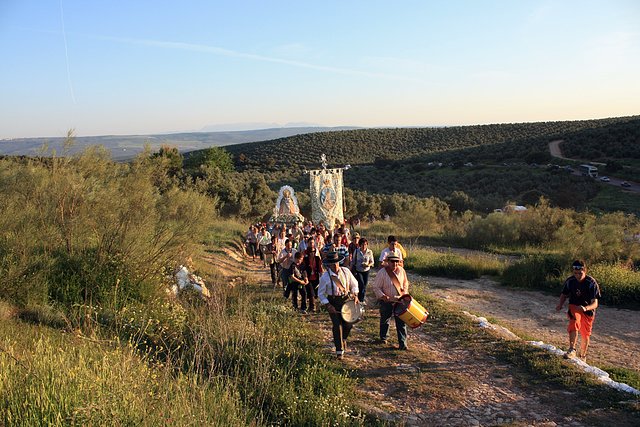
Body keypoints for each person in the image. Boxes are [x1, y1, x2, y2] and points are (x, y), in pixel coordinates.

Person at [555, 260, 601, 361]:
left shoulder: (591, 283)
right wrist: (560, 304)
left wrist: (585, 308)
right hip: (574, 306)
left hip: (587, 309)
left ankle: (583, 355)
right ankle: (572, 349)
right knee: (574, 322)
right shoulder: (570, 281)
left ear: (585, 271)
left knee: (585, 334)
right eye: (575, 273)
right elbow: (564, 294)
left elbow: (595, 303)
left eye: (580, 273)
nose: (577, 275)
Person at [317, 251, 360, 359]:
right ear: (329, 265)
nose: (335, 265)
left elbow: (354, 284)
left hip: (346, 300)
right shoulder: (325, 277)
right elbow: (321, 294)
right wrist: (328, 305)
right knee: (337, 325)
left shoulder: (345, 272)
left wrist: (355, 294)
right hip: (333, 301)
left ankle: (343, 339)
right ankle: (339, 350)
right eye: (332, 263)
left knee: (348, 323)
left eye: (336, 263)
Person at [372, 253, 409, 350]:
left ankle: (403, 343)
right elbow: (376, 287)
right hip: (386, 300)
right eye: (392, 261)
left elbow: (405, 283)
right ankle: (384, 338)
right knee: (385, 319)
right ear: (388, 262)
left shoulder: (402, 271)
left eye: (397, 261)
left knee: (401, 322)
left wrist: (404, 294)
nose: (395, 263)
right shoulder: (382, 272)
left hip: (399, 301)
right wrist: (383, 296)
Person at [351, 238, 374, 304]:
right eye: (362, 245)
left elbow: (372, 262)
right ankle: (360, 299)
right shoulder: (356, 251)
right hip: (358, 270)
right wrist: (351, 268)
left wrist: (368, 265)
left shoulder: (369, 252)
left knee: (365, 285)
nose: (364, 246)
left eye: (365, 244)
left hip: (366, 270)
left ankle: (362, 298)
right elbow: (353, 261)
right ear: (360, 245)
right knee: (361, 284)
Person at [303, 236, 323, 311]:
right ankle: (312, 307)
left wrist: (321, 275)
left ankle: (316, 306)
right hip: (308, 276)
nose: (311, 244)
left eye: (312, 243)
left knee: (315, 293)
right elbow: (303, 266)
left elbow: (320, 266)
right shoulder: (305, 255)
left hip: (316, 276)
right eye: (310, 243)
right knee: (310, 292)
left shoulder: (317, 256)